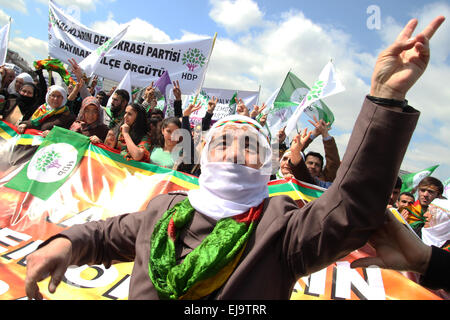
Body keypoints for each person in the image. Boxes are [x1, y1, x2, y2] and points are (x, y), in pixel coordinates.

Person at [24, 15, 445, 300]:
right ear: (203, 157)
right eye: (222, 142)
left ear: (265, 167)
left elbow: (351, 205)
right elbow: (102, 235)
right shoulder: (163, 211)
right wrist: (64, 243)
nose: (234, 149)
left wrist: (386, 99)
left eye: (250, 146)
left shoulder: (282, 228)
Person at [351, 210, 450, 292]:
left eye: (433, 213)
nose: (425, 215)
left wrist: (426, 260)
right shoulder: (411, 232)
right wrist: (427, 260)